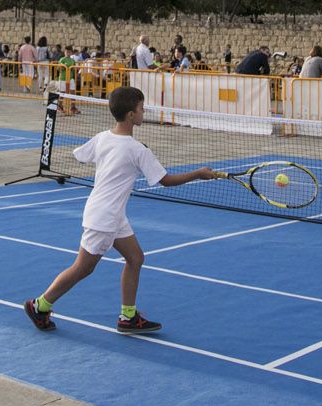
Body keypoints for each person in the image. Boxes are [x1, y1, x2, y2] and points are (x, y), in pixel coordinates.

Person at [23, 86, 216, 334]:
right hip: (104, 217)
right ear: (130, 115)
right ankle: (39, 305)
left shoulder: (103, 137)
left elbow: (80, 155)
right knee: (83, 268)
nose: (143, 111)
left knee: (135, 258)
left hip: (112, 214)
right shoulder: (137, 150)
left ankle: (128, 317)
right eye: (141, 108)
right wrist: (199, 173)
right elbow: (165, 180)